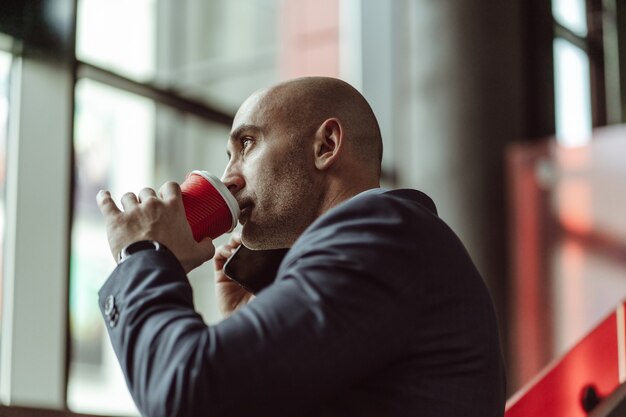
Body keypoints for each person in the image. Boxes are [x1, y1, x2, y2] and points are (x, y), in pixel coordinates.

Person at [96, 76, 506, 417]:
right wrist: (258, 322)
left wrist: (144, 255)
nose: (229, 177)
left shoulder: (382, 235)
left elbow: (185, 392)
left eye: (248, 144)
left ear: (326, 145)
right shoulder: (394, 246)